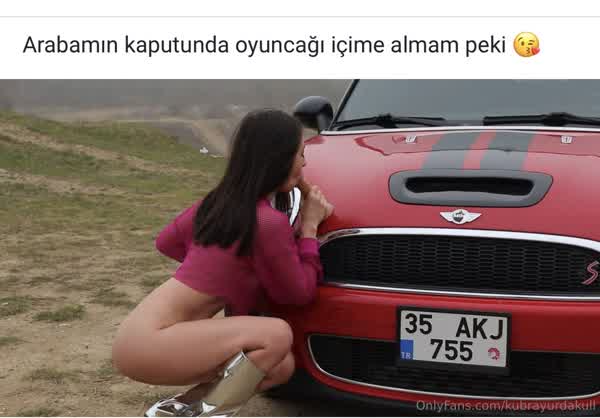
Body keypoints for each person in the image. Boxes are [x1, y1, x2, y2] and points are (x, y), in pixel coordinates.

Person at [112, 109, 333, 417]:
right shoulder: (267, 221)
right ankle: (203, 414)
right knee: (276, 335)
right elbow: (298, 294)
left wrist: (219, 269)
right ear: (278, 158)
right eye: (300, 154)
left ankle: (180, 410)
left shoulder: (217, 204)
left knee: (281, 366)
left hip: (137, 335)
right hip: (152, 341)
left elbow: (166, 242)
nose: (305, 164)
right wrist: (309, 228)